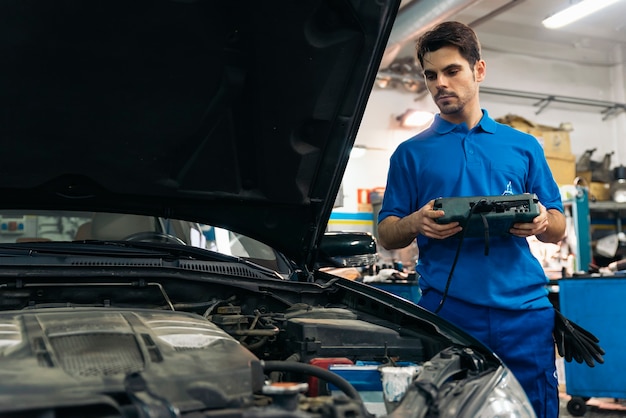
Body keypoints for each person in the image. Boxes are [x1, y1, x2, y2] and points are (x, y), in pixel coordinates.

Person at [377, 21, 566, 418]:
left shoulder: (523, 145)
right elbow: (388, 232)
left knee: (535, 410)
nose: (440, 83)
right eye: (431, 75)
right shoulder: (410, 155)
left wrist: (541, 224)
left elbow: (558, 226)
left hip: (525, 313)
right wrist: (416, 223)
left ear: (478, 70)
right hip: (450, 316)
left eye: (451, 71)